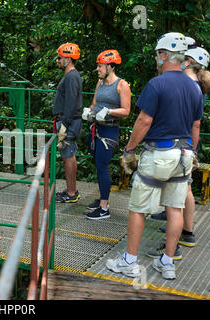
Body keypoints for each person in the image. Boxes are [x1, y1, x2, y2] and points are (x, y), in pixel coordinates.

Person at [106, 32, 202, 280]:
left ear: (163, 55)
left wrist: (129, 149)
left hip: (159, 153)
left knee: (138, 209)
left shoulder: (156, 84)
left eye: (158, 54)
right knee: (175, 209)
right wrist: (193, 151)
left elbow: (144, 120)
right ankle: (168, 262)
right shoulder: (194, 87)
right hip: (183, 154)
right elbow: (196, 126)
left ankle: (129, 261)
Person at [147, 45, 210, 259]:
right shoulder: (196, 86)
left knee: (179, 196)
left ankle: (175, 245)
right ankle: (187, 232)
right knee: (185, 191)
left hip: (182, 146)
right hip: (187, 146)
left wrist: (191, 150)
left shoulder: (189, 86)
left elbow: (196, 124)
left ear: (189, 62)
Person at [82, 50, 131, 220]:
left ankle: (104, 209)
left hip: (109, 130)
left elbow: (126, 110)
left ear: (110, 66)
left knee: (102, 165)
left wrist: (109, 111)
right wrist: (88, 111)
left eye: (100, 66)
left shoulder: (121, 85)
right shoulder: (99, 84)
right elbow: (95, 103)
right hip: (96, 128)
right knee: (98, 164)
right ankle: (103, 198)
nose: (97, 69)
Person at [53, 43, 83, 204]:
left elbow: (71, 103)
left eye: (60, 57)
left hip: (69, 122)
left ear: (68, 59)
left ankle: (71, 193)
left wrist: (64, 125)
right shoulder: (71, 76)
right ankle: (71, 190)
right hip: (69, 121)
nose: (57, 60)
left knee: (68, 156)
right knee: (68, 155)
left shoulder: (71, 77)